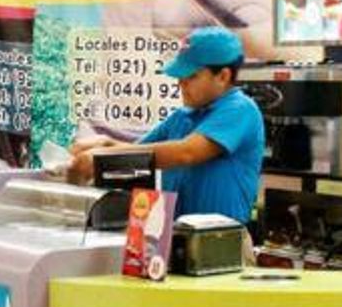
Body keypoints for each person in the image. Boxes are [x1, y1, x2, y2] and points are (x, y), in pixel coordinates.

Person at [67, 26, 264, 224]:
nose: (181, 84)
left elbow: (186, 153)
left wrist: (105, 157)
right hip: (176, 234)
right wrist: (104, 144)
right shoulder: (182, 117)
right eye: (180, 76)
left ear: (223, 76)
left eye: (191, 76)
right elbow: (138, 153)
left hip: (220, 238)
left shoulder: (240, 110)